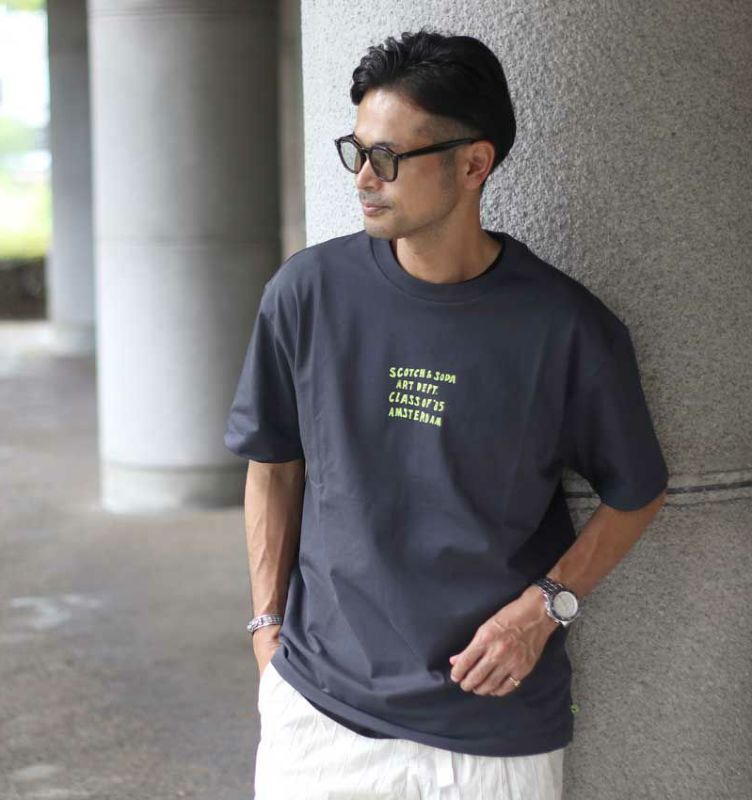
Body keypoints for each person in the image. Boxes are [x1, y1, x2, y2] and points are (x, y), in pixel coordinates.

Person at [224, 26, 669, 800]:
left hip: (493, 735)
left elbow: (637, 493)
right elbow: (273, 463)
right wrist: (267, 629)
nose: (365, 177)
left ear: (473, 164)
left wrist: (544, 609)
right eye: (357, 150)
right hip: (320, 718)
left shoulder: (564, 327)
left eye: (389, 157)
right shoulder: (307, 294)